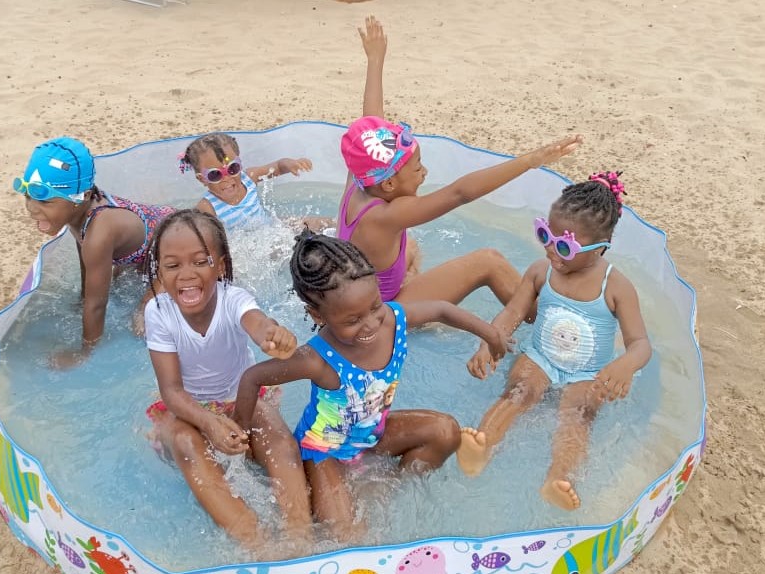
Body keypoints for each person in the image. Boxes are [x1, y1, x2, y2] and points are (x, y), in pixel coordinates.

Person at [232, 230, 510, 542]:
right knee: (347, 535)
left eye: (375, 306)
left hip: (372, 436)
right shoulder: (316, 359)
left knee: (445, 431)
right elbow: (252, 377)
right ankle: (336, 497)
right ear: (316, 314)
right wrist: (239, 440)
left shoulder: (392, 319)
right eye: (352, 320)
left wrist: (491, 334)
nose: (370, 324)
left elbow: (443, 310)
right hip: (325, 453)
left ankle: (388, 486)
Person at [339, 16, 583, 305]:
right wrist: (529, 160)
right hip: (381, 316)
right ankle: (547, 321)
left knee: (411, 247)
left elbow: (372, 121)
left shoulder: (360, 179)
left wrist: (375, 60)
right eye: (417, 169)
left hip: (355, 297)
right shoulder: (388, 215)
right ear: (390, 183)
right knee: (488, 261)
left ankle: (413, 292)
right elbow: (460, 193)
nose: (424, 172)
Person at [456, 172, 652, 511]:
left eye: (564, 245)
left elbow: (641, 344)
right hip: (540, 357)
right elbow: (513, 313)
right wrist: (489, 340)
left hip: (589, 372)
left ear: (599, 248)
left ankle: (558, 479)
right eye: (545, 234)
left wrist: (625, 364)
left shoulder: (617, 287)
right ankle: (483, 444)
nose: (550, 249)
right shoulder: (539, 271)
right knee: (519, 391)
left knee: (578, 414)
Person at [142, 209, 312, 554]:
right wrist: (208, 422)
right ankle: (256, 543)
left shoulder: (234, 299)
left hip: (241, 401)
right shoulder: (158, 312)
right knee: (188, 445)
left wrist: (273, 336)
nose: (186, 276)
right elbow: (172, 391)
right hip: (188, 408)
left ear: (220, 265)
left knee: (279, 441)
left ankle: (301, 538)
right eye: (172, 266)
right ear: (159, 271)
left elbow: (257, 322)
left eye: (200, 262)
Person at [14, 137, 175, 368]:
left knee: (145, 315)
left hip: (177, 241)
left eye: (45, 202)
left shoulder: (98, 233)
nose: (31, 208)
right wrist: (83, 297)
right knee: (113, 278)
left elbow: (97, 304)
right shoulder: (78, 212)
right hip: (154, 237)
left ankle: (145, 303)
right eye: (28, 196)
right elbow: (85, 255)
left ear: (83, 197)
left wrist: (85, 353)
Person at [179, 133, 330, 232]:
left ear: (240, 163)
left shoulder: (249, 178)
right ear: (202, 179)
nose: (227, 178)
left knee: (316, 222)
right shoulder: (207, 207)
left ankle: (341, 231)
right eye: (214, 174)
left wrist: (289, 164)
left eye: (233, 168)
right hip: (250, 250)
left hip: (271, 228)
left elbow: (277, 167)